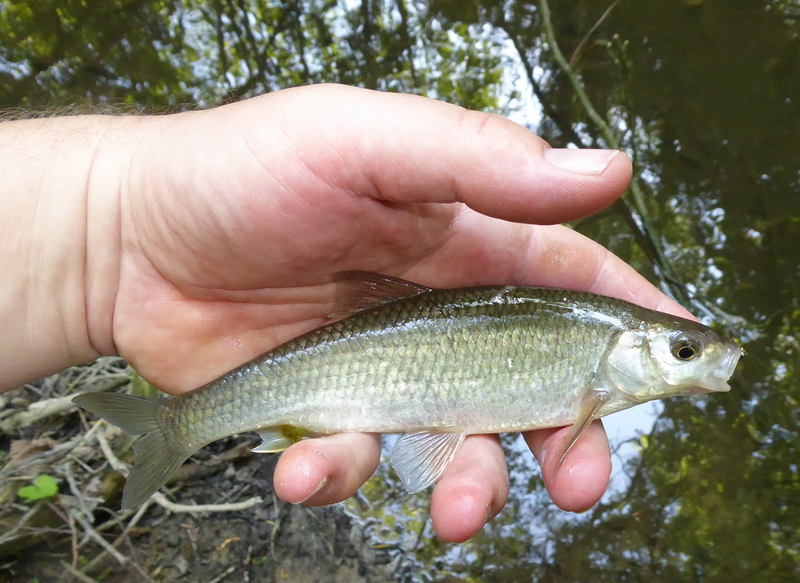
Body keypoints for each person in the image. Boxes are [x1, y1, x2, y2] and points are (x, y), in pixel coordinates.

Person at [0, 84, 693, 543]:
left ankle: (176, 425)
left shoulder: (594, 340)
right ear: (632, 346)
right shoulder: (597, 348)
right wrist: (116, 223)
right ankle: (174, 426)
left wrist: (108, 228)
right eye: (681, 351)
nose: (688, 360)